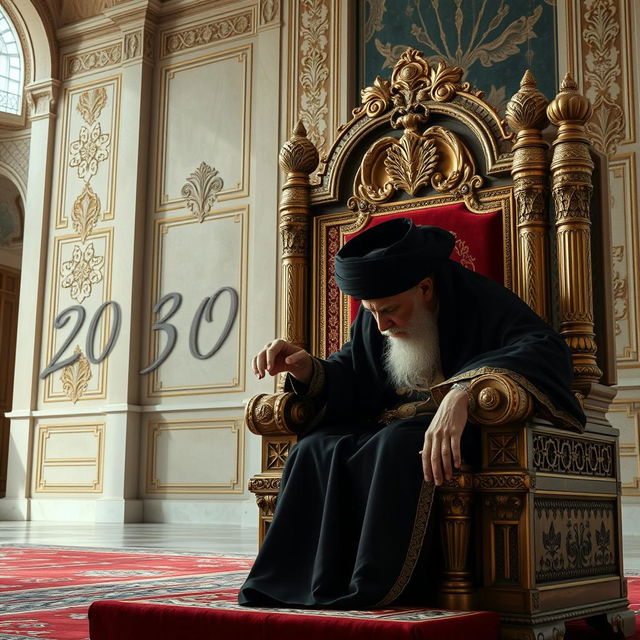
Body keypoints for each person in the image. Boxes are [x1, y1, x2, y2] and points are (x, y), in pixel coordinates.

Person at [238, 217, 585, 609]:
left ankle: (380, 585)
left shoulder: (477, 299)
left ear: (425, 288)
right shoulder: (377, 318)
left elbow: (543, 347)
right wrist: (307, 370)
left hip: (468, 432)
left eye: (390, 311)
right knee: (313, 448)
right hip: (391, 426)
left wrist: (465, 391)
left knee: (400, 443)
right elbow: (355, 373)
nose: (381, 325)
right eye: (371, 313)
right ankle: (297, 584)